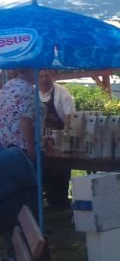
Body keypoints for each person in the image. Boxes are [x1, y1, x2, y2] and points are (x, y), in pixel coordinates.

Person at [38, 69, 75, 209]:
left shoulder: (61, 92)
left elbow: (69, 116)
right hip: (41, 139)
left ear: (52, 76)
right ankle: (49, 196)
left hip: (60, 137)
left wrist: (65, 136)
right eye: (40, 76)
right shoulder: (34, 93)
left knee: (61, 168)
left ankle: (60, 200)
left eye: (46, 76)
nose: (43, 79)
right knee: (45, 168)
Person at [0, 68, 36, 160]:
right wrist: (31, 147)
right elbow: (25, 119)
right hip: (22, 147)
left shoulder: (7, 86)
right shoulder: (28, 89)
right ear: (31, 70)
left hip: (5, 144)